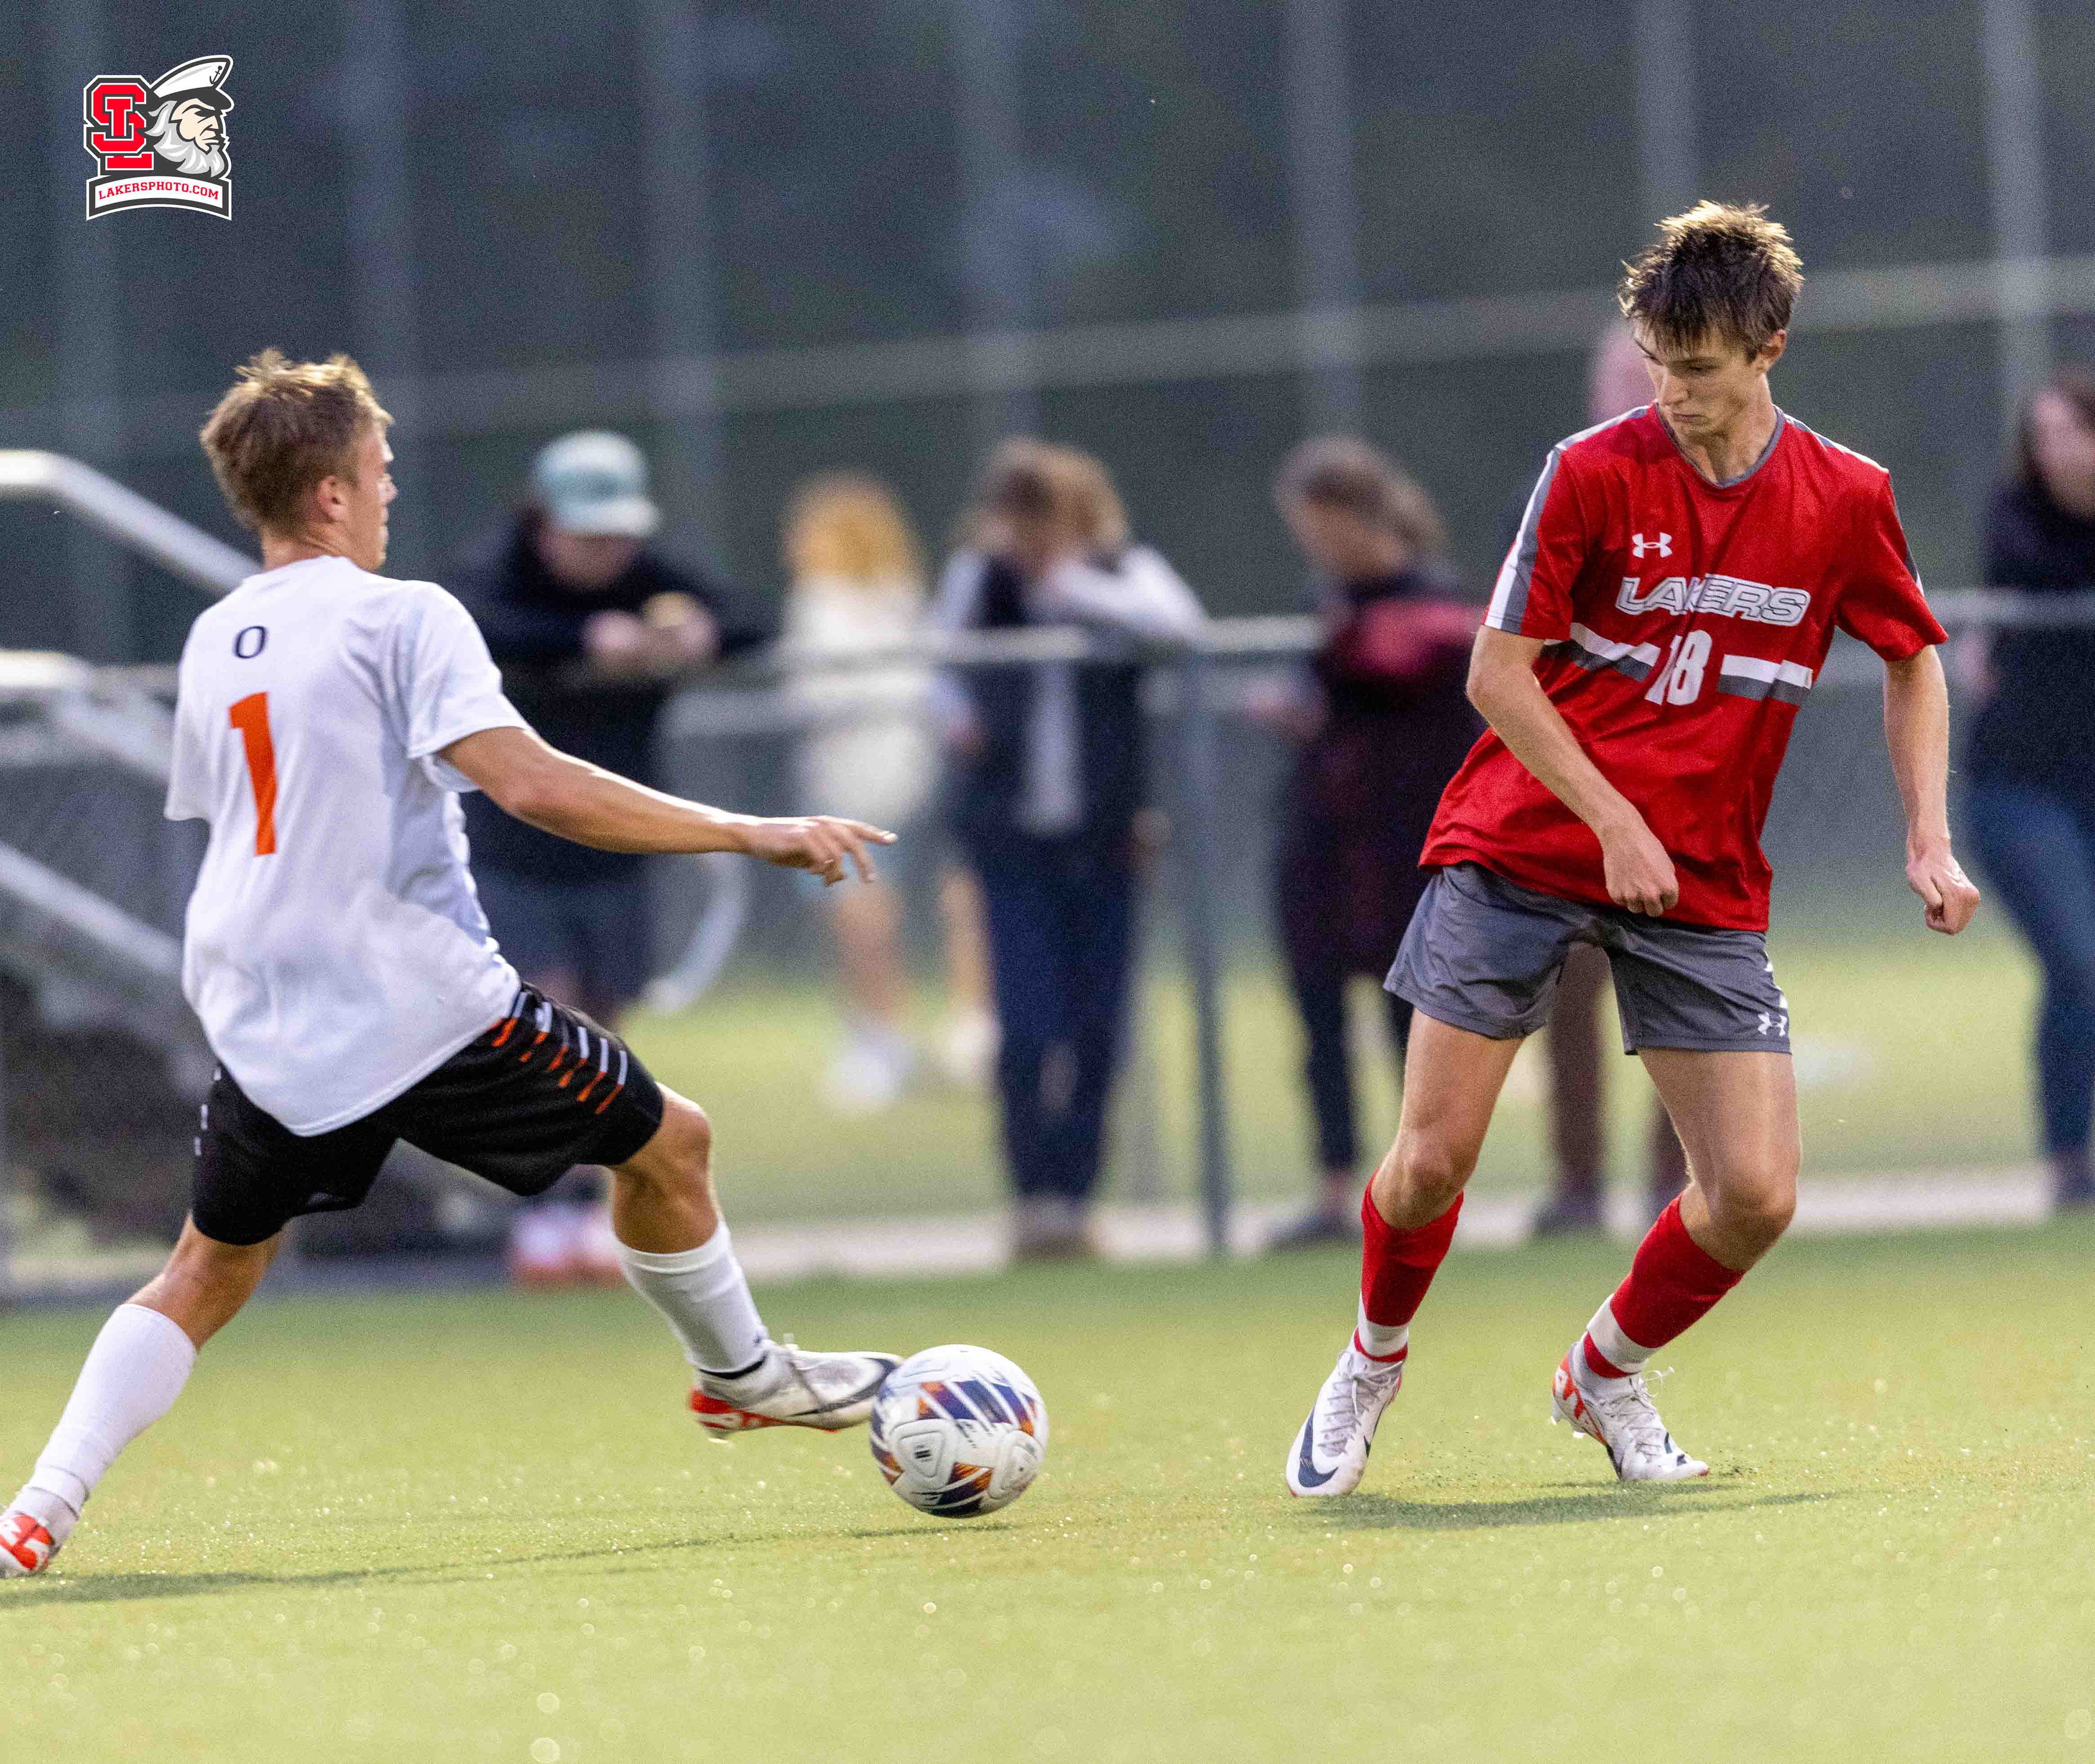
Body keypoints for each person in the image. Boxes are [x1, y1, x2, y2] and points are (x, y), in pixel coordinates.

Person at [0, 352, 898, 1579]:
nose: (388, 494)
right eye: (376, 473)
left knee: (208, 1267)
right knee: (672, 1143)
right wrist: (749, 830)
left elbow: (244, 818)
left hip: (258, 997)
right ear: (329, 493)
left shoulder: (216, 639)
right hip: (414, 998)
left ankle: (39, 1504)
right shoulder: (405, 614)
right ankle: (741, 1376)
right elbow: (533, 787)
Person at [1285, 203, 1981, 1498]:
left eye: (1699, 367)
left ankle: (1603, 1372)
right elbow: (1497, 675)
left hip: (1699, 878)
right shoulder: (1591, 470)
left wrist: (1928, 838)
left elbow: (1911, 657)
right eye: (1657, 361)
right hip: (1521, 842)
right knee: (1431, 1160)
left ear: (1769, 350)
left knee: (1755, 1194)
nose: (1671, 390)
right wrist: (1611, 817)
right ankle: (1372, 1357)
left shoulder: (1844, 495)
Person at [451, 432, 773, 1286]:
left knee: (602, 1023)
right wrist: (585, 641)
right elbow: (483, 626)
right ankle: (540, 1211)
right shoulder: (498, 576)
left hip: (618, 844)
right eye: (587, 535)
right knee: (542, 1018)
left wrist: (700, 635)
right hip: (517, 845)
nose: (607, 552)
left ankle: (590, 1205)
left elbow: (753, 620)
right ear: (544, 523)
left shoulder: (649, 577)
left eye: (617, 535)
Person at [931, 440, 1205, 1259]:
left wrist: (1074, 589)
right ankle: (1033, 1195)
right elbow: (934, 668)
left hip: (1105, 839)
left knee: (1097, 1028)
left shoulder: (1120, 571)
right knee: (1025, 1026)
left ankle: (1075, 1200)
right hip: (1012, 840)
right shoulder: (980, 579)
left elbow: (1181, 627)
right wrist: (957, 718)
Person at [1258, 438, 1481, 1249]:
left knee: (1407, 1023)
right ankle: (1335, 1188)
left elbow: (1402, 667)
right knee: (1318, 1021)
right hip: (1323, 841)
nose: (1313, 544)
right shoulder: (1328, 602)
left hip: (1405, 848)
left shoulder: (1435, 602)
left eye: (1318, 525)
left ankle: (1417, 1190)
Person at [1533, 325, 1691, 1237]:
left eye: (1650, 372)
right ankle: (1578, 1181)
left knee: (1685, 993)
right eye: (1619, 376)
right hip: (1576, 796)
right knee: (1569, 992)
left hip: (1684, 793)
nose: (1633, 390)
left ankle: (1680, 1181)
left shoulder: (1719, 491)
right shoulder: (1562, 488)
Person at [1962, 367, 2095, 1211]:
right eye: (2042, 437)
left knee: (2081, 975)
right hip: (2019, 788)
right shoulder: (2018, 519)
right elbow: (2036, 570)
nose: (2056, 452)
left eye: (2071, 432)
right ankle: (2069, 1157)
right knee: (2080, 960)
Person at [780, 471, 939, 1111]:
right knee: (868, 913)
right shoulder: (903, 600)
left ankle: (879, 1042)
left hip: (854, 784)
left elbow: (813, 695)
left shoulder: (829, 603)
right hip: (898, 775)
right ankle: (880, 1036)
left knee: (859, 915)